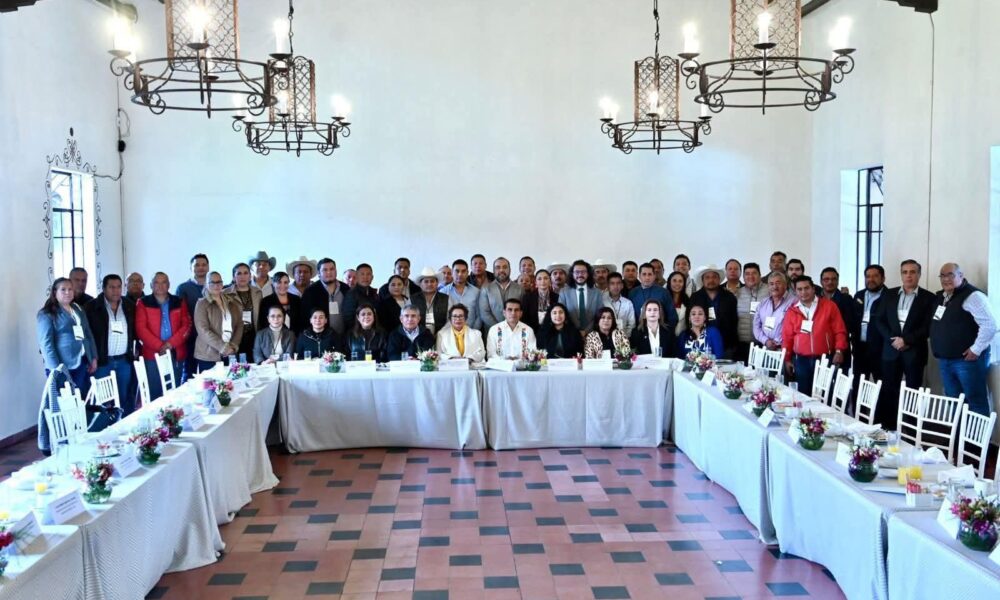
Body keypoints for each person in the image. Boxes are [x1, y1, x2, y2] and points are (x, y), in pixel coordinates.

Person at [873, 260, 936, 428]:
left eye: (913, 272)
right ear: (901, 274)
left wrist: (907, 340)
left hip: (914, 351)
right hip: (891, 349)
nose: (909, 275)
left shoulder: (929, 298)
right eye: (905, 272)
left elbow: (928, 326)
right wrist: (893, 340)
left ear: (919, 274)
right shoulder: (889, 294)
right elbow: (879, 320)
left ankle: (910, 428)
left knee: (913, 390)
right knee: (889, 388)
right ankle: (889, 426)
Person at [929, 263, 998, 416]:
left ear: (961, 275)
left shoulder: (973, 296)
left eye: (950, 275)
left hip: (967, 361)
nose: (946, 279)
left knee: (975, 402)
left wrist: (976, 349)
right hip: (945, 360)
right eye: (942, 276)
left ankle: (976, 433)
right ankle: (959, 432)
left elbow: (990, 325)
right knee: (954, 401)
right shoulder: (943, 297)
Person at [781, 276, 848, 395]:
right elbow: (787, 337)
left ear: (813, 289)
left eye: (806, 288)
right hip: (801, 360)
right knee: (803, 394)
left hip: (824, 359)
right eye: (799, 289)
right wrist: (787, 358)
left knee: (824, 395)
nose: (803, 292)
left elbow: (839, 331)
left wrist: (839, 351)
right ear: (795, 291)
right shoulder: (792, 311)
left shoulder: (829, 306)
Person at [84, 274, 136, 414]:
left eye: (119, 287)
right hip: (102, 362)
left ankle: (123, 424)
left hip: (124, 360)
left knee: (123, 397)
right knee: (102, 401)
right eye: (111, 287)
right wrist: (91, 357)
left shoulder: (129, 306)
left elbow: (134, 330)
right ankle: (104, 426)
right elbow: (86, 336)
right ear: (104, 288)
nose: (116, 291)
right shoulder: (91, 307)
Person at [135, 272, 192, 400]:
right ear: (151, 285)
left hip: (175, 353)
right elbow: (141, 329)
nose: (160, 286)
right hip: (152, 355)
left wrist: (170, 344)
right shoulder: (143, 302)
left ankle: (173, 413)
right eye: (156, 282)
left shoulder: (179, 301)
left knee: (174, 392)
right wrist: (160, 346)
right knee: (155, 393)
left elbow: (186, 325)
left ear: (169, 285)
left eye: (164, 282)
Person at [37, 277, 97, 395]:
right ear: (55, 292)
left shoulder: (78, 309)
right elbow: (46, 344)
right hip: (62, 366)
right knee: (65, 402)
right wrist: (56, 370)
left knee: (80, 399)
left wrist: (93, 357)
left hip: (81, 362)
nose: (67, 292)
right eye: (63, 289)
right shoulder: (46, 314)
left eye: (70, 289)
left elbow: (88, 333)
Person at [193, 271, 244, 372]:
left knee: (231, 380)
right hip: (208, 355)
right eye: (212, 282)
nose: (216, 285)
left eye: (219, 282)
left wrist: (233, 345)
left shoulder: (231, 302)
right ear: (206, 284)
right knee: (212, 382)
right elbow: (202, 330)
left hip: (230, 352)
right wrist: (222, 347)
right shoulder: (202, 304)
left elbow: (239, 324)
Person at [689, 265, 739, 359]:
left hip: (726, 343)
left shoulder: (729, 297)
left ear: (719, 279)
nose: (711, 280)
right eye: (707, 277)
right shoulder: (695, 297)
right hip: (702, 343)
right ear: (702, 280)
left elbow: (734, 320)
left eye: (714, 277)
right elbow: (689, 320)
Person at [176, 253, 209, 382]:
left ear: (208, 267)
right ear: (191, 268)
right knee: (189, 374)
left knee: (210, 376)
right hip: (190, 338)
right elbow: (179, 315)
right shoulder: (183, 288)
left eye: (204, 265)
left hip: (210, 339)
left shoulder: (214, 286)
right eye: (197, 265)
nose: (201, 267)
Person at [852, 264, 887, 383]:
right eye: (868, 276)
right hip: (860, 348)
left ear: (883, 278)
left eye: (875, 276)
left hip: (880, 349)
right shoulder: (859, 295)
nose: (871, 279)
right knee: (858, 383)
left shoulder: (889, 296)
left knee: (881, 384)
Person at [819, 267, 858, 372]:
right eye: (826, 279)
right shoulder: (816, 299)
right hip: (820, 347)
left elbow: (851, 324)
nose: (830, 282)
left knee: (840, 379)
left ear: (838, 281)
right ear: (821, 282)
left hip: (840, 347)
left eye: (833, 279)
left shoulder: (846, 299)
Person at [223, 262, 262, 359]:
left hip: (253, 336)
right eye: (239, 273)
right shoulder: (225, 293)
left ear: (250, 276)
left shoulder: (257, 292)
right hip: (234, 337)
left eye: (245, 273)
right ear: (233, 277)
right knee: (236, 366)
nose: (242, 276)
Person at [301, 258, 348, 335]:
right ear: (319, 274)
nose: (329, 272)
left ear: (336, 271)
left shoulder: (345, 289)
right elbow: (305, 318)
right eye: (325, 270)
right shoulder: (310, 291)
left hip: (345, 337)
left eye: (332, 269)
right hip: (321, 338)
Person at [753, 271, 796, 351]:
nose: (775, 287)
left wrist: (776, 342)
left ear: (785, 285)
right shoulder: (763, 303)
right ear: (768, 286)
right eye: (771, 284)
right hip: (765, 347)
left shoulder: (794, 302)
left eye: (778, 283)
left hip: (785, 349)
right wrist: (766, 341)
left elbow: (794, 328)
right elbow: (756, 326)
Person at [478, 257, 523, 331]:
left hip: (515, 331)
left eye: (505, 267)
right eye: (498, 267)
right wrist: (500, 329)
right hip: (493, 332)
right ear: (494, 270)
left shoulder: (520, 289)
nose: (501, 270)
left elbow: (522, 311)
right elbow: (484, 313)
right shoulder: (486, 289)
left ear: (510, 269)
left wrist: (511, 327)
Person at [559, 260, 602, 331]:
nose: (580, 275)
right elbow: (561, 313)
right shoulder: (564, 292)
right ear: (572, 274)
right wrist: (575, 331)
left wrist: (586, 331)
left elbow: (599, 315)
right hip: (570, 332)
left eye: (583, 272)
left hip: (592, 332)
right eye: (577, 272)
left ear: (588, 274)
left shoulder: (597, 292)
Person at [735, 263, 765, 362]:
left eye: (754, 273)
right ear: (743, 277)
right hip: (742, 343)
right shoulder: (738, 292)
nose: (751, 276)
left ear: (760, 275)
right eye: (747, 274)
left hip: (763, 343)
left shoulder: (769, 290)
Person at [441, 259, 482, 330]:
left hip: (471, 332)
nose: (460, 274)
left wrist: (473, 332)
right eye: (457, 271)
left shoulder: (476, 292)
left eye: (463, 271)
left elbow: (479, 316)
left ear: (467, 273)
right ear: (452, 272)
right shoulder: (443, 292)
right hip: (448, 333)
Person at [411, 267, 449, 334]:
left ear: (437, 283)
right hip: (418, 336)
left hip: (442, 336)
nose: (429, 284)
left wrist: (441, 334)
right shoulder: (412, 299)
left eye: (432, 281)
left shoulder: (446, 298)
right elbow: (408, 320)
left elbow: (451, 319)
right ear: (420, 284)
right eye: (426, 281)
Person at [342, 263, 380, 330]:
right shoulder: (351, 294)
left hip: (375, 331)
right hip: (357, 332)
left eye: (368, 274)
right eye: (362, 274)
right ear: (357, 277)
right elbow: (348, 319)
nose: (365, 277)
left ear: (372, 277)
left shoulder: (374, 293)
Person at [603, 272, 636, 337]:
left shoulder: (628, 303)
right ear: (608, 286)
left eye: (618, 283)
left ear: (622, 285)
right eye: (612, 283)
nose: (615, 286)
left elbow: (632, 324)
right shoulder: (602, 301)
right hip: (605, 337)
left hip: (624, 337)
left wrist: (624, 337)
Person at [666, 271, 690, 338]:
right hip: (666, 338)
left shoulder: (688, 301)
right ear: (669, 282)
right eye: (674, 281)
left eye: (680, 281)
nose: (677, 284)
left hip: (683, 338)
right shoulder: (663, 300)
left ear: (684, 284)